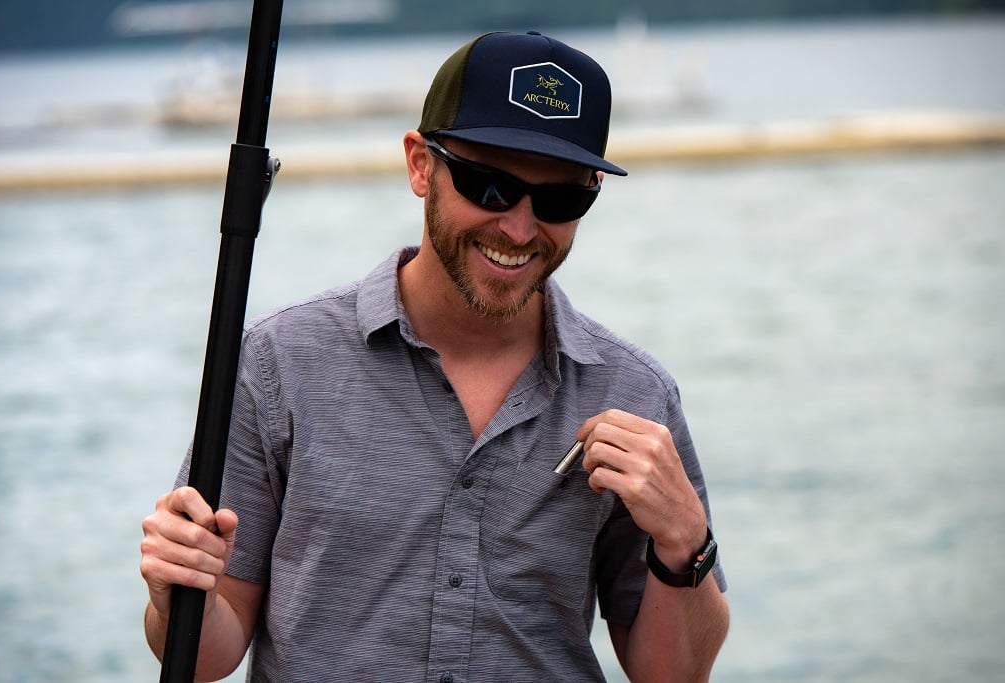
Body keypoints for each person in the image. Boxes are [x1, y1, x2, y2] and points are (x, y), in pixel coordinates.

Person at [141, 30, 729, 682]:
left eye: (561, 198)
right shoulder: (281, 360)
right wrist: (175, 591)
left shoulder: (636, 393)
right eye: (490, 186)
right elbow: (202, 655)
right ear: (421, 165)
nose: (519, 227)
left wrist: (686, 543)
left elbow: (672, 675)